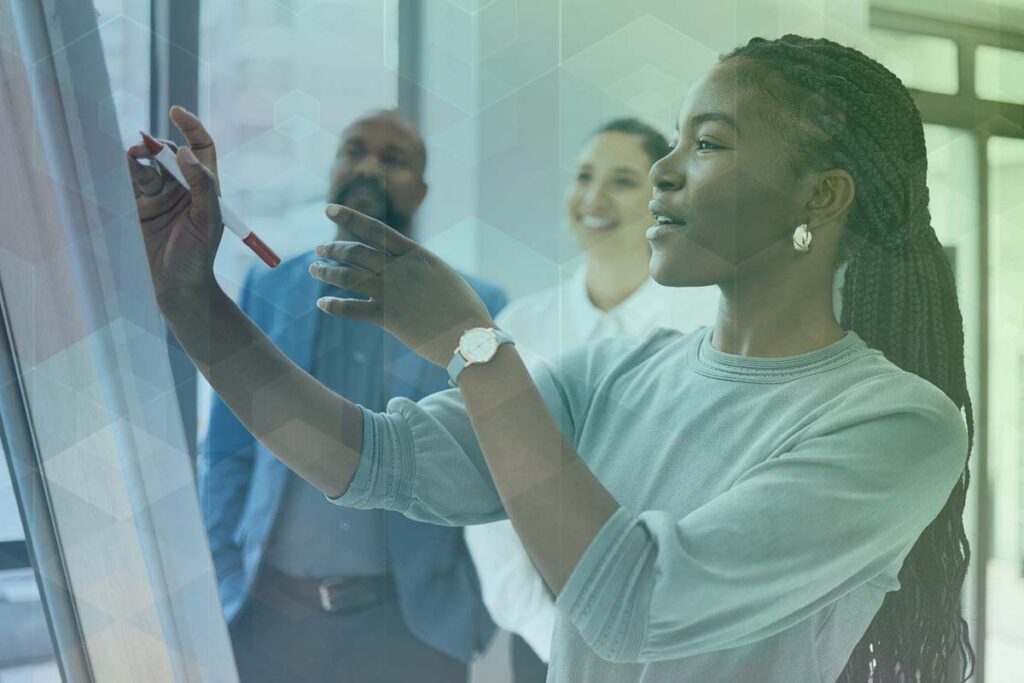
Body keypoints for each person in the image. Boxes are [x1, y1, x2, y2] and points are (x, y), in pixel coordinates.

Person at [128, 34, 975, 683]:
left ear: (821, 196)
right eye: (675, 142)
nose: (666, 175)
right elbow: (372, 460)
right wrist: (189, 298)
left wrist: (473, 349)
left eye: (708, 144)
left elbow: (634, 604)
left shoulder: (899, 421)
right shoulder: (621, 370)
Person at [190, 110, 503, 682]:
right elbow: (228, 449)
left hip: (413, 630)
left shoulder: (476, 306)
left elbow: (498, 464)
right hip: (270, 621)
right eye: (354, 150)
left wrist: (477, 609)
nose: (368, 166)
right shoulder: (269, 286)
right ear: (332, 168)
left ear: (422, 189)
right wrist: (222, 574)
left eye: (394, 159)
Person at [463, 118, 719, 682]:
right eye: (583, 176)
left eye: (623, 180)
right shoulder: (517, 327)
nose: (593, 198)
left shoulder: (714, 326)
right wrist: (545, 632)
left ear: (666, 196)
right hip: (545, 640)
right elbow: (487, 490)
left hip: (680, 645)